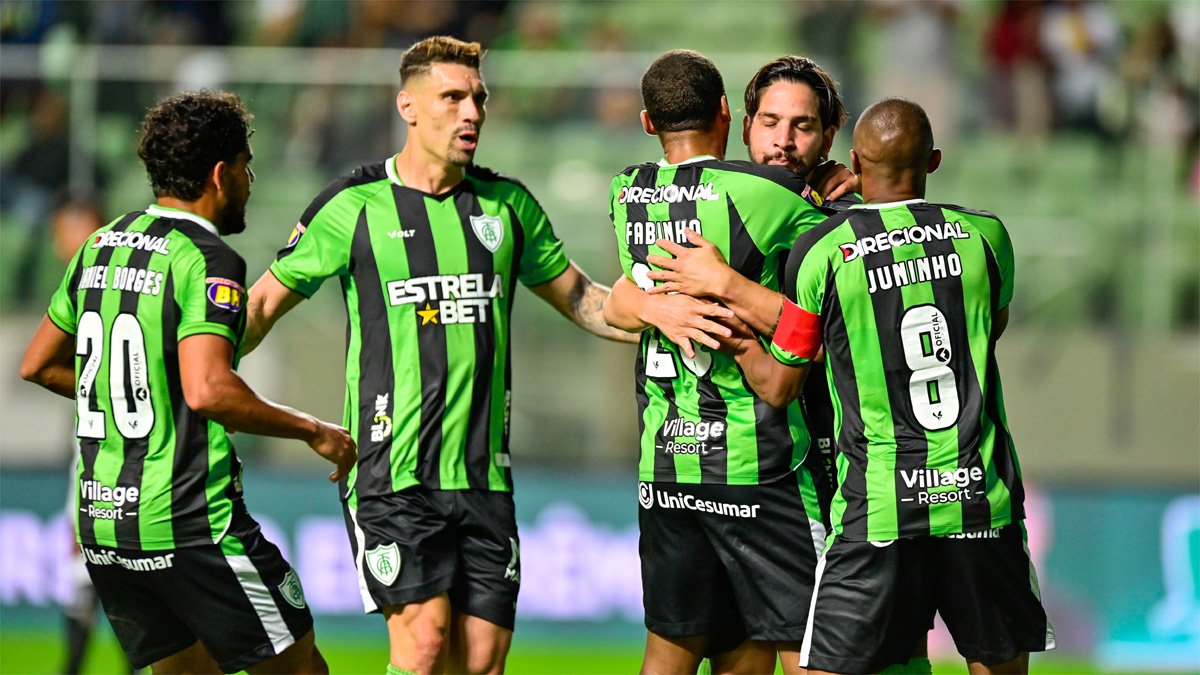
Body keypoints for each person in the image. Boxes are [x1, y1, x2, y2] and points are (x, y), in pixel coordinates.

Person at [243, 35, 636, 675]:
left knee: (478, 661)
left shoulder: (506, 205)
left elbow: (585, 300)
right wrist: (192, 359)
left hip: (484, 477)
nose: (471, 112)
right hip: (392, 473)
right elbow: (258, 308)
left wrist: (669, 323)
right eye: (452, 97)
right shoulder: (352, 206)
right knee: (423, 645)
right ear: (409, 106)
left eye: (478, 97)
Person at [20, 90, 356, 674]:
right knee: (303, 669)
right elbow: (209, 391)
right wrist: (314, 430)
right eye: (247, 167)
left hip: (105, 524)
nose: (250, 181)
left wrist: (139, 389)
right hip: (190, 524)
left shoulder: (100, 246)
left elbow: (39, 364)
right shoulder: (207, 258)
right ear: (221, 174)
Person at [721, 97, 1054, 674]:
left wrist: (731, 332)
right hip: (979, 499)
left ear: (853, 160)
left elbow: (783, 380)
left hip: (880, 506)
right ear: (935, 160)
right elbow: (988, 329)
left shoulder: (820, 251)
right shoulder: (986, 239)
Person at [602, 49, 839, 675]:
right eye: (771, 122)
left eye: (802, 126)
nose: (783, 141)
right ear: (734, 115)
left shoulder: (629, 190)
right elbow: (820, 311)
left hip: (666, 462)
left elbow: (618, 299)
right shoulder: (780, 197)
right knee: (806, 651)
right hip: (764, 465)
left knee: (685, 648)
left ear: (649, 123)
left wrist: (651, 304)